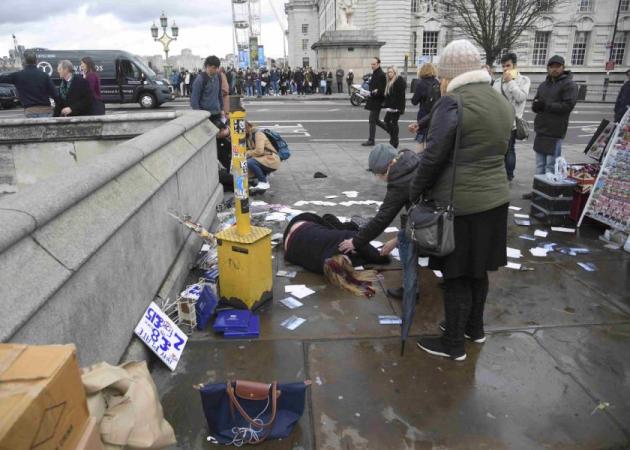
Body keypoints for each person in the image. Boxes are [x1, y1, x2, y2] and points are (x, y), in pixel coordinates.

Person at [409, 39, 514, 361]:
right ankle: (474, 329)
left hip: (461, 204)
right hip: (495, 199)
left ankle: (453, 343)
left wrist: (414, 191)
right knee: (478, 270)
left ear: (450, 75)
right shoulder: (498, 99)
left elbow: (433, 155)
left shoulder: (453, 102)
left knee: (456, 274)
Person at [338, 144, 420, 302]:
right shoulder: (410, 159)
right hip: (440, 212)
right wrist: (395, 239)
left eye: (380, 173)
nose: (379, 178)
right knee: (403, 236)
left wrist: (356, 241)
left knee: (406, 244)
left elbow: (383, 218)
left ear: (389, 165)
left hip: (434, 220)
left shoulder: (400, 180)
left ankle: (410, 291)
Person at [531, 55, 578, 176]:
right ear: (548, 68)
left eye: (558, 66)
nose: (554, 69)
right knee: (540, 164)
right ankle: (538, 191)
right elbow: (537, 101)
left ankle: (546, 193)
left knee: (550, 166)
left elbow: (568, 106)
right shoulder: (543, 85)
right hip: (541, 129)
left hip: (555, 131)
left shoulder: (569, 85)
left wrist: (546, 105)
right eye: (551, 66)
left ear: (563, 67)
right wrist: (535, 106)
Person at [492, 52, 531, 181]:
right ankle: (498, 173)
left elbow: (521, 98)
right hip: (498, 121)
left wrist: (511, 83)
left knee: (509, 149)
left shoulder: (524, 80)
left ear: (515, 65)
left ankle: (509, 175)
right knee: (498, 150)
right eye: (503, 66)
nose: (505, 69)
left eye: (508, 65)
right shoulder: (498, 81)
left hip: (512, 122)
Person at [0, 50, 57, 118]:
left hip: (30, 111)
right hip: (46, 110)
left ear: (24, 62)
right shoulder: (44, 75)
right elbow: (55, 94)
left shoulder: (18, 75)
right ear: (36, 61)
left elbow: (2, 78)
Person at [191, 56, 227, 139]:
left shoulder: (218, 77)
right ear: (207, 66)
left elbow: (219, 94)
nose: (216, 70)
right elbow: (194, 100)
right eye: (214, 68)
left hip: (217, 113)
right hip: (206, 115)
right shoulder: (200, 79)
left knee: (223, 134)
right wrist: (200, 116)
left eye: (217, 68)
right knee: (209, 137)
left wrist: (222, 109)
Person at [410, 63, 440, 151]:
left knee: (420, 138)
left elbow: (414, 101)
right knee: (431, 136)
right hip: (435, 113)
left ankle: (420, 157)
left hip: (423, 114)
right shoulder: (437, 82)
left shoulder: (421, 83)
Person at [376, 66, 406, 148]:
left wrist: (399, 108)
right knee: (387, 120)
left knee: (394, 122)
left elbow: (400, 96)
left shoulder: (398, 81)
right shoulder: (390, 81)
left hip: (396, 107)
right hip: (391, 106)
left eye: (391, 72)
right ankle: (393, 137)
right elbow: (389, 96)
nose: (389, 74)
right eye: (388, 72)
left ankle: (395, 140)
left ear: (395, 73)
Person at [245, 121, 280, 191]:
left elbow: (259, 151)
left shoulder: (258, 134)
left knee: (250, 162)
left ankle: (263, 182)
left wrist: (247, 153)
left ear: (246, 128)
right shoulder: (248, 135)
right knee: (246, 164)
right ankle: (261, 181)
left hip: (271, 159)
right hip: (263, 158)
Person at [362, 57, 387, 146]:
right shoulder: (375, 73)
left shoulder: (381, 74)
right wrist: (368, 92)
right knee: (375, 120)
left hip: (377, 101)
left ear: (378, 64)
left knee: (372, 120)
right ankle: (391, 130)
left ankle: (371, 140)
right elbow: (374, 87)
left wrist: (372, 93)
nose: (372, 66)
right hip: (373, 99)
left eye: (374, 64)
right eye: (371, 64)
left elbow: (381, 90)